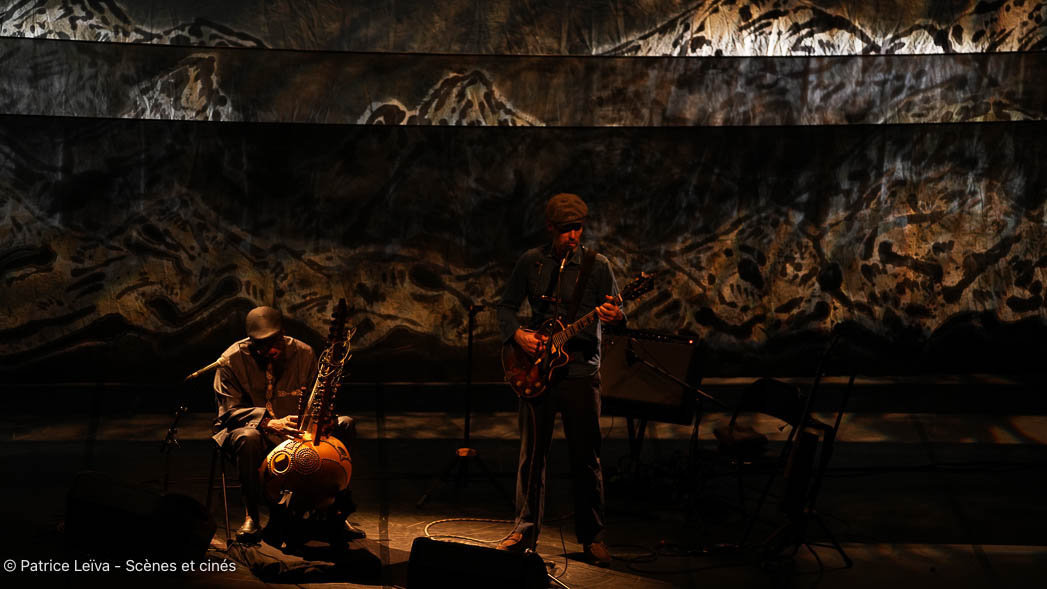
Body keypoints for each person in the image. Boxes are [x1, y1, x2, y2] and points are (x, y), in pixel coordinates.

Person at [495, 193, 625, 566]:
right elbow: (505, 307)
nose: (573, 235)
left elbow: (619, 314)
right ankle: (524, 529)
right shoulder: (531, 262)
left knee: (586, 458)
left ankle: (593, 537)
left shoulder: (598, 266)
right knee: (532, 456)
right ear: (550, 227)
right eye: (566, 229)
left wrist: (616, 316)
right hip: (537, 369)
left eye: (578, 228)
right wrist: (517, 335)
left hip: (581, 374)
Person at [212, 306, 364, 542]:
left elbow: (316, 397)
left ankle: (336, 509)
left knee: (345, 424)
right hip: (253, 432)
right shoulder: (231, 360)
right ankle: (252, 515)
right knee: (248, 438)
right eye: (259, 345)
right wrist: (268, 422)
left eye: (272, 342)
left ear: (282, 334)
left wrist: (322, 417)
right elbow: (229, 412)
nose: (266, 350)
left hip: (297, 433)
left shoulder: (303, 353)